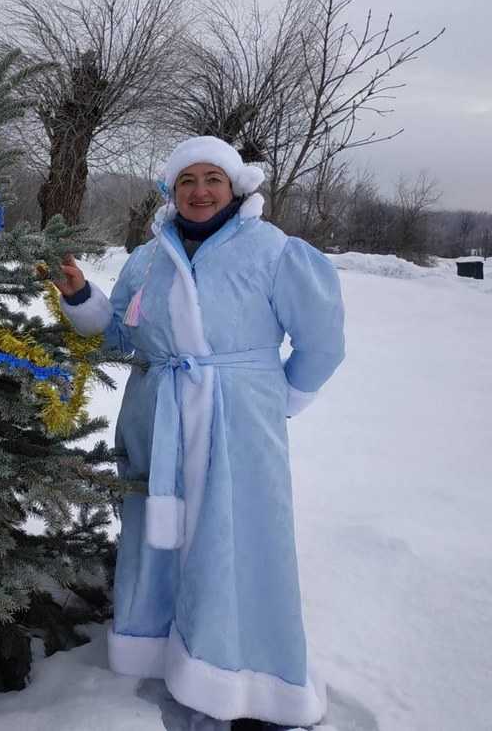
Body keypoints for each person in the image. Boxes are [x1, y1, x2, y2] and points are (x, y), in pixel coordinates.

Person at [55, 136, 345, 730]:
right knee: (164, 540)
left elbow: (323, 341)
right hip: (159, 420)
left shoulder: (274, 251)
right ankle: (169, 655)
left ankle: (247, 676)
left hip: (237, 423)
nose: (200, 191)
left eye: (213, 178)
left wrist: (272, 399)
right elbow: (120, 339)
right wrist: (81, 297)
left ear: (235, 186)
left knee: (237, 541)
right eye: (187, 180)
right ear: (170, 190)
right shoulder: (148, 259)